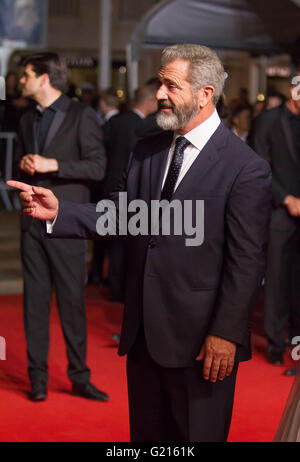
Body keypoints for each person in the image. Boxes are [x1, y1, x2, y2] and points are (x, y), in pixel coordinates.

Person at [8, 44, 271, 442]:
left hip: (204, 343)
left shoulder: (245, 167)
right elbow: (122, 218)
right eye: (159, 83)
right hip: (144, 334)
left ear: (205, 95)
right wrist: (60, 211)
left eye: (170, 85)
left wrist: (226, 332)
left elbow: (246, 261)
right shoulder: (146, 149)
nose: (159, 93)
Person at [14, 52, 108, 402]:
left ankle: (79, 377)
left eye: (25, 75)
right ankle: (36, 378)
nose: (19, 80)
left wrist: (51, 163)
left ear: (43, 78)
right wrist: (25, 169)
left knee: (72, 303)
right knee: (34, 305)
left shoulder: (82, 115)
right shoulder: (27, 119)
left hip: (66, 222)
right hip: (31, 224)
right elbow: (27, 168)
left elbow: (98, 166)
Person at [250, 72, 300, 367]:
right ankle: (273, 342)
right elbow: (260, 167)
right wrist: (286, 198)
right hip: (279, 212)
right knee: (278, 279)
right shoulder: (268, 121)